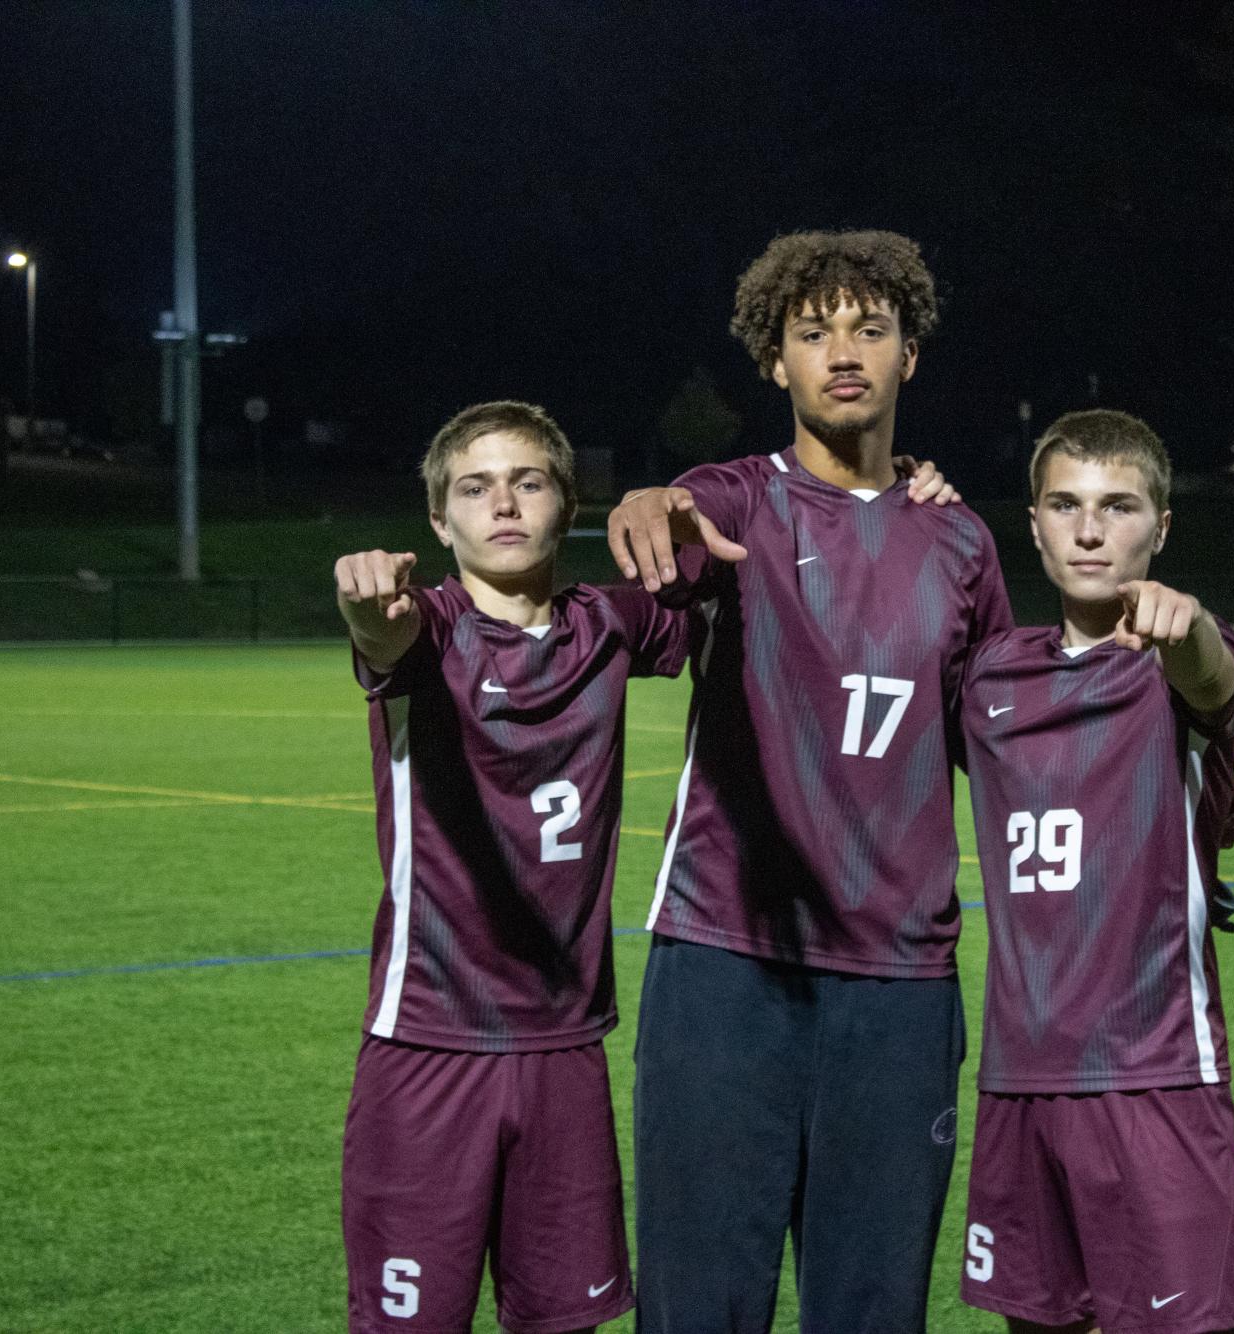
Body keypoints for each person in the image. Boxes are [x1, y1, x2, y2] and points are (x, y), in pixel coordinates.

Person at [606, 229, 1014, 1332]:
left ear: (908, 357)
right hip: (725, 968)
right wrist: (651, 501)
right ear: (775, 361)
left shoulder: (964, 542)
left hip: (898, 980)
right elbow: (673, 535)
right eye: (813, 331)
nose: (843, 352)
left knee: (874, 1310)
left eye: (870, 329)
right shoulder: (733, 502)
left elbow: (1017, 743)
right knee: (698, 1306)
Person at [333, 400, 694, 1334]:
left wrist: (890, 481)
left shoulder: (611, 624)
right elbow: (381, 639)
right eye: (474, 487)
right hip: (428, 1043)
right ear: (438, 521)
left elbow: (752, 584)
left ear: (566, 505)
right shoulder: (426, 628)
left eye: (527, 482)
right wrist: (365, 606)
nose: (502, 504)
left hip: (566, 1048)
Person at [957, 408, 1234, 1334]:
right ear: (1035, 521)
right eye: (1065, 504)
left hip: (1152, 1075)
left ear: (1159, 528)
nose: (1089, 530)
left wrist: (1188, 623)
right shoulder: (988, 674)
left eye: (1118, 506)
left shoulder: (1179, 663)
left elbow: (1214, 677)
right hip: (1018, 1077)